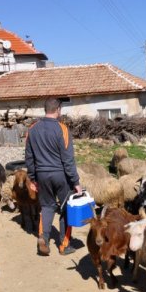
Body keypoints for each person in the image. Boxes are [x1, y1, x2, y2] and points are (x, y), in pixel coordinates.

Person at [25, 98, 82, 256]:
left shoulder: (32, 129)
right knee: (66, 209)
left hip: (42, 175)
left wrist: (33, 178)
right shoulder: (62, 129)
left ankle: (44, 238)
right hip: (60, 175)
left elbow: (29, 157)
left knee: (47, 207)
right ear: (58, 110)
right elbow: (68, 160)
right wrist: (76, 182)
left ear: (45, 109)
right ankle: (64, 245)